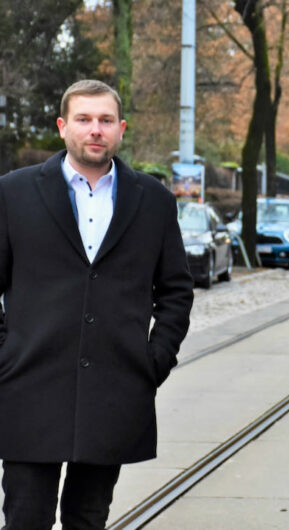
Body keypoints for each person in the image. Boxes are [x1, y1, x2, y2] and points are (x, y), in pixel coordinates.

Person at [0, 79, 193, 529]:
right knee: (25, 519)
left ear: (121, 129)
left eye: (106, 120)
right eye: (84, 120)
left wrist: (155, 359)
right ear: (63, 126)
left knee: (89, 519)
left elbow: (176, 290)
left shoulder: (155, 201)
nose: (95, 130)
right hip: (29, 386)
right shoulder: (13, 193)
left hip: (114, 388)